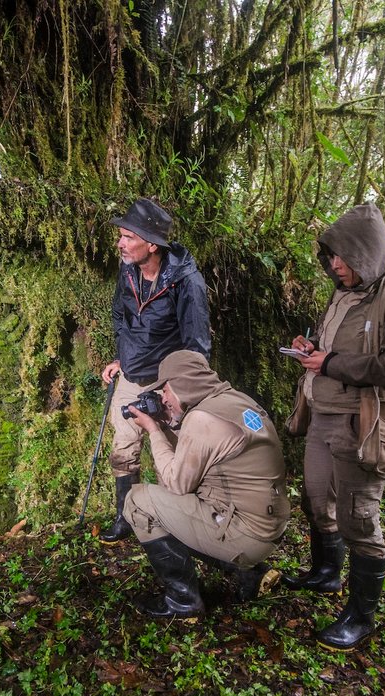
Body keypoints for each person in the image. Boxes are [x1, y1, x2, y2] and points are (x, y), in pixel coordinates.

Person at [284, 204, 385, 651]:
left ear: (367, 253)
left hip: (361, 424)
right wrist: (311, 347)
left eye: (342, 257)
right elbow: (333, 347)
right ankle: (326, 573)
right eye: (330, 256)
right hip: (321, 415)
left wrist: (331, 363)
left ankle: (361, 617)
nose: (335, 265)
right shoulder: (342, 293)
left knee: (357, 517)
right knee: (316, 500)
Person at [122, 350, 290, 618]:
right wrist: (170, 425)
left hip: (247, 535)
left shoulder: (202, 419)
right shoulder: (236, 400)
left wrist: (154, 430)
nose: (163, 398)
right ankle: (250, 573)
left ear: (182, 384)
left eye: (165, 389)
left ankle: (182, 601)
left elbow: (176, 485)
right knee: (173, 508)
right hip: (269, 527)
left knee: (138, 501)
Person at [99, 198, 212, 545]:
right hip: (131, 375)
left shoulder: (186, 282)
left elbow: (197, 345)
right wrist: (122, 357)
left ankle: (178, 524)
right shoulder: (128, 270)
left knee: (173, 455)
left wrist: (179, 390)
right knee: (123, 447)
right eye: (120, 236)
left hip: (167, 381)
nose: (120, 243)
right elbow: (120, 315)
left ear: (152, 244)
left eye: (128, 237)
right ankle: (125, 517)